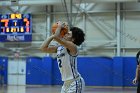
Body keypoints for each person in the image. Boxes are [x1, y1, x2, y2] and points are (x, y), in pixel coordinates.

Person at [40, 21, 85, 93]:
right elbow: (43, 48)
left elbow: (57, 38)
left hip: (75, 82)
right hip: (65, 84)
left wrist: (59, 27)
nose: (66, 34)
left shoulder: (73, 47)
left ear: (73, 39)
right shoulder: (59, 48)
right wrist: (52, 36)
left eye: (68, 34)